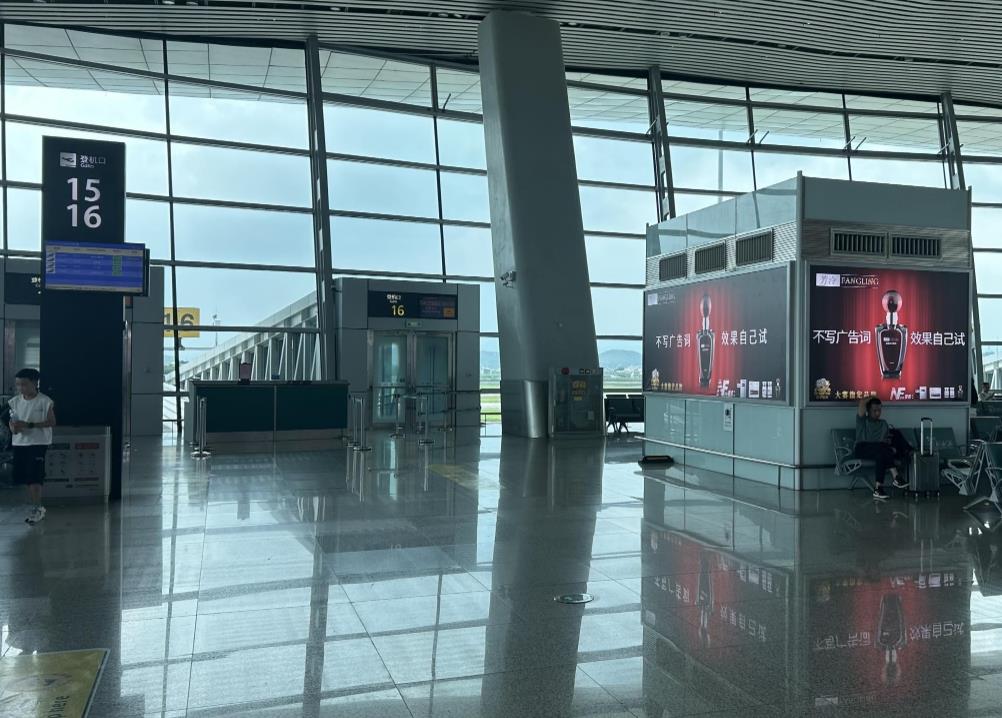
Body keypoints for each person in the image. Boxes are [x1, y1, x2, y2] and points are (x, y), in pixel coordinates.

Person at [8, 368, 55, 524]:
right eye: (18, 384)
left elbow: (52, 422)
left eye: (24, 384)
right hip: (20, 443)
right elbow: (12, 422)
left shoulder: (45, 401)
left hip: (38, 443)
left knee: (35, 477)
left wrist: (29, 425)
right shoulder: (14, 401)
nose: (20, 388)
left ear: (34, 383)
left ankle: (37, 508)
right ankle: (36, 505)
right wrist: (14, 428)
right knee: (25, 477)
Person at [854, 397, 911, 500]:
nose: (877, 413)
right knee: (882, 449)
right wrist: (873, 396)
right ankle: (896, 476)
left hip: (879, 449)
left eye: (879, 410)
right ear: (868, 411)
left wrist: (891, 449)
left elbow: (885, 441)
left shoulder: (883, 423)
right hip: (862, 448)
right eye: (874, 410)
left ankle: (878, 488)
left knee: (881, 455)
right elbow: (862, 402)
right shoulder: (862, 421)